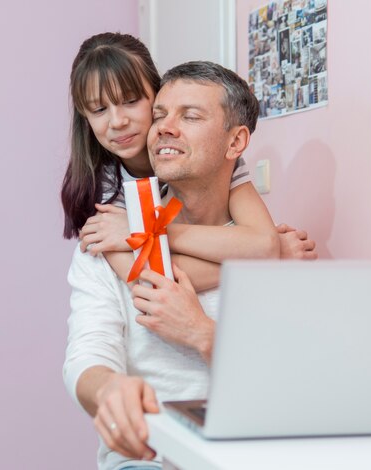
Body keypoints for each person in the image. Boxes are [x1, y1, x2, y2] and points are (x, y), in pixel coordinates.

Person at [63, 61, 285, 470]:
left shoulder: (276, 250)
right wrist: (108, 388)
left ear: (235, 143)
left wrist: (202, 333)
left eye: (191, 115)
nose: (162, 127)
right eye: (161, 115)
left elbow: (292, 391)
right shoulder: (104, 238)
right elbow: (87, 356)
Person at [61, 32, 315, 293]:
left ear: (157, 94)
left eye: (130, 101)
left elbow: (262, 244)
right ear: (85, 117)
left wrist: (143, 230)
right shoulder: (100, 187)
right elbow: (147, 276)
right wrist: (262, 262)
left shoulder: (208, 158)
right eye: (99, 110)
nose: (117, 121)